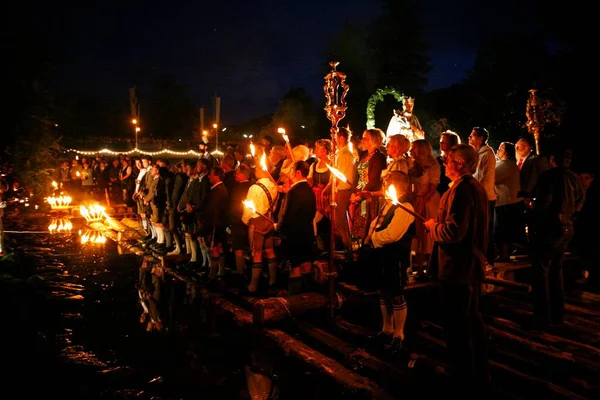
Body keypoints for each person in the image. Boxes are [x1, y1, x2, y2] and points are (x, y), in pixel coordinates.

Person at [423, 143, 490, 392]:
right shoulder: (475, 188)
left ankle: (465, 380)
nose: (444, 163)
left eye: (448, 159)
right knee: (471, 321)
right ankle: (478, 374)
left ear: (459, 164)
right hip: (467, 267)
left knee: (458, 325)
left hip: (458, 269)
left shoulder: (462, 190)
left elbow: (453, 231)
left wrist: (433, 227)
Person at [364, 171, 415, 353]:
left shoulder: (405, 207)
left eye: (387, 182)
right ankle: (387, 328)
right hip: (382, 255)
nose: (384, 185)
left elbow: (393, 234)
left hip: (395, 256)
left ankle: (399, 334)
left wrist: (373, 238)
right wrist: (370, 234)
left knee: (396, 292)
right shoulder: (389, 205)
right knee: (383, 291)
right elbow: (376, 223)